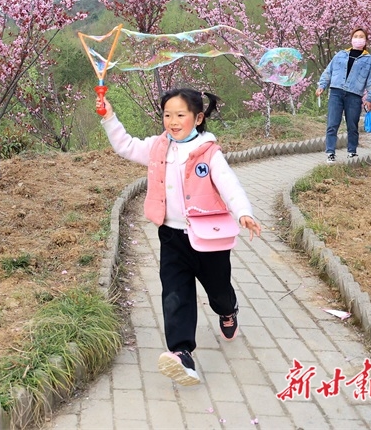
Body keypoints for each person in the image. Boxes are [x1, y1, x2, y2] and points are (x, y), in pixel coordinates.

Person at [100, 88, 261, 387]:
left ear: (198, 118)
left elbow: (229, 185)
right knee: (175, 294)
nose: (172, 121)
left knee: (219, 290)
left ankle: (228, 311)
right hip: (171, 236)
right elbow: (125, 145)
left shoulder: (208, 152)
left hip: (208, 239)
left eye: (180, 115)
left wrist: (243, 213)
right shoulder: (159, 147)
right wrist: (109, 117)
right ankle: (182, 353)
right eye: (167, 115)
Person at [315, 27, 371, 163]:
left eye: (361, 36)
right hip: (336, 92)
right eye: (355, 36)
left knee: (352, 124)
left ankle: (352, 151)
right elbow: (329, 71)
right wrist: (322, 85)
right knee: (332, 123)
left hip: (354, 95)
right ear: (351, 39)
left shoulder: (369, 60)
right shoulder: (340, 55)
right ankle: (330, 152)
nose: (358, 38)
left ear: (366, 40)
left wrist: (370, 98)